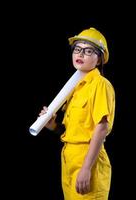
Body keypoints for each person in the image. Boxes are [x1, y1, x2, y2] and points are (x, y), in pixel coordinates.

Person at [39, 27, 115, 200]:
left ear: (99, 59)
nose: (81, 54)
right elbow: (77, 128)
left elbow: (102, 128)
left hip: (88, 160)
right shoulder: (74, 87)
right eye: (78, 49)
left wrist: (86, 168)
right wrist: (54, 126)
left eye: (88, 51)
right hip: (68, 159)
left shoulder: (100, 85)